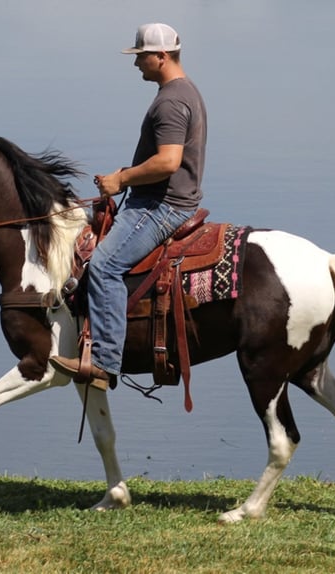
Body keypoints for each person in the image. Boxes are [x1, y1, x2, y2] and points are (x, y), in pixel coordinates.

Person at [50, 22, 208, 389]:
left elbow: (168, 162)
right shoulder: (186, 92)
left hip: (161, 205)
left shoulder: (170, 101)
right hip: (163, 199)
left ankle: (105, 362)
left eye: (141, 57)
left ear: (161, 57)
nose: (137, 64)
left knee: (104, 265)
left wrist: (120, 179)